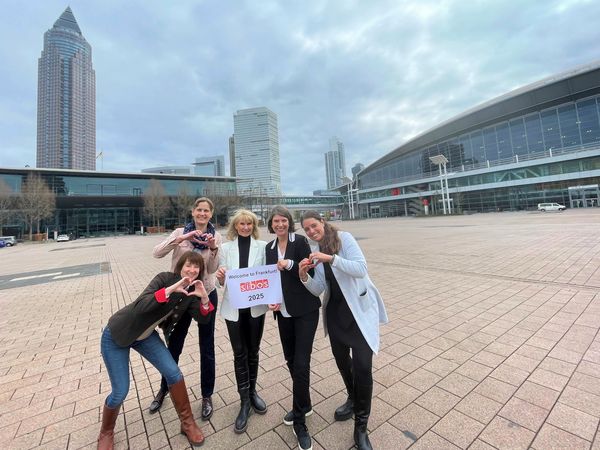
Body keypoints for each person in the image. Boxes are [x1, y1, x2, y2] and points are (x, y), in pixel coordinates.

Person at [98, 251, 215, 449]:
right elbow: (141, 305)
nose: (192, 270)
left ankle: (187, 423)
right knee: (120, 391)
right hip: (118, 334)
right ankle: (106, 432)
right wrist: (170, 289)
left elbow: (203, 319)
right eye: (189, 265)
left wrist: (204, 298)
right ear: (180, 266)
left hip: (145, 337)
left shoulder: (191, 293)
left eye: (197, 267)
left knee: (173, 373)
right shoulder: (163, 279)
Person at [299, 210, 388, 450]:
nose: (311, 231)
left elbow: (360, 268)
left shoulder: (344, 239)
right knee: (342, 361)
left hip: (358, 312)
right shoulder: (314, 249)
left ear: (322, 222)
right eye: (306, 229)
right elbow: (319, 288)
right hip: (336, 313)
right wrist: (304, 276)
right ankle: (352, 397)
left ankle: (361, 426)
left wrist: (331, 259)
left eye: (313, 226)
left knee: (363, 368)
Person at [149, 197, 222, 420]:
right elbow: (157, 253)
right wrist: (182, 238)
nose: (202, 214)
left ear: (211, 214)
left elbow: (211, 268)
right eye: (198, 210)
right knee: (173, 345)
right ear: (193, 212)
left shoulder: (216, 236)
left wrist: (213, 248)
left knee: (206, 346)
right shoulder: (180, 232)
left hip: (204, 293)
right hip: (179, 295)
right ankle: (164, 388)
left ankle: (207, 395)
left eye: (206, 211)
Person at [265, 206, 321, 450]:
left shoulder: (300, 241)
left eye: (284, 220)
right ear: (271, 224)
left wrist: (290, 264)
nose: (280, 225)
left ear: (289, 222)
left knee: (301, 363)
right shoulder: (268, 248)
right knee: (290, 360)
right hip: (283, 312)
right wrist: (271, 298)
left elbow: (310, 266)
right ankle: (305, 404)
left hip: (306, 310)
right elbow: (269, 279)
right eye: (276, 221)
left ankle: (300, 422)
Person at [215, 209, 269, 433]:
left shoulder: (263, 247)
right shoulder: (225, 249)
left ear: (254, 226)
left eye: (249, 224)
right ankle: (244, 400)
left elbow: (268, 276)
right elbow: (221, 282)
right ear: (235, 226)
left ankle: (253, 391)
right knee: (240, 352)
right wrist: (219, 279)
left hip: (255, 307)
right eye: (241, 224)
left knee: (254, 351)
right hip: (234, 308)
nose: (245, 227)